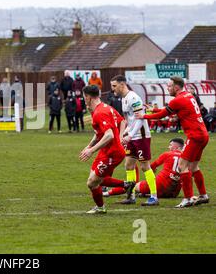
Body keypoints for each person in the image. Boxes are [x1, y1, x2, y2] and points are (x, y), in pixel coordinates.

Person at [136, 76, 209, 208]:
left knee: (182, 166)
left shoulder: (177, 99)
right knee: (193, 167)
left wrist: (144, 116)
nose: (167, 88)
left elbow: (163, 115)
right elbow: (169, 111)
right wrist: (153, 109)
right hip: (203, 134)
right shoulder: (188, 95)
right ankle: (203, 195)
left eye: (169, 86)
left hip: (194, 136)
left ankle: (187, 199)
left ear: (176, 87)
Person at [79, 85, 135, 214]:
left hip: (112, 153)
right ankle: (126, 185)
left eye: (84, 97)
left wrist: (92, 150)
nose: (84, 99)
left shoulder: (100, 112)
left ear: (88, 97)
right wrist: (89, 146)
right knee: (96, 178)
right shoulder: (106, 107)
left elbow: (108, 135)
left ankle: (100, 208)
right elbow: (121, 121)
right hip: (106, 150)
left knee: (92, 183)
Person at [110, 75, 158, 206]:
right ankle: (131, 196)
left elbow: (141, 119)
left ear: (122, 84)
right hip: (131, 136)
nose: (113, 89)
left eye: (114, 86)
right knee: (129, 165)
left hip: (141, 136)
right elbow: (129, 120)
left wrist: (130, 134)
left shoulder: (134, 97)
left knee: (144, 166)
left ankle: (154, 196)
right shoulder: (124, 98)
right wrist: (125, 132)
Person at [105, 138, 184, 199]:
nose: (168, 147)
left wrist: (152, 169)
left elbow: (152, 166)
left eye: (170, 145)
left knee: (133, 186)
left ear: (176, 147)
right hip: (174, 192)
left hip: (160, 185)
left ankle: (108, 193)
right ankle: (147, 194)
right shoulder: (186, 158)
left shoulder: (167, 154)